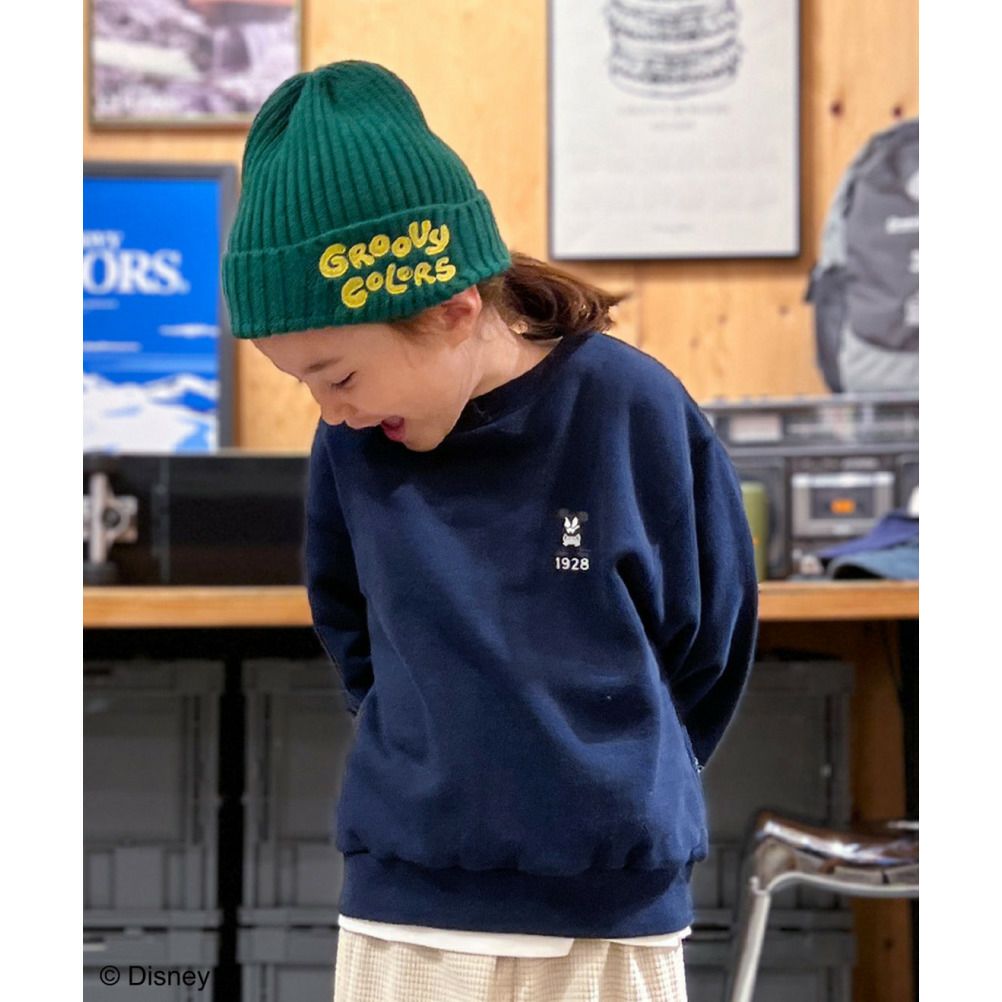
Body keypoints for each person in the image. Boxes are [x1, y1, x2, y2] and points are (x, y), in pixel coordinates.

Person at [222, 59, 759, 1002]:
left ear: (453, 309)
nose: (330, 409)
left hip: (611, 908)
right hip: (409, 906)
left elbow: (708, 641)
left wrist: (610, 782)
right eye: (301, 382)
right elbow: (351, 628)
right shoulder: (351, 442)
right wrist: (440, 753)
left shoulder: (629, 409)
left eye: (338, 376)